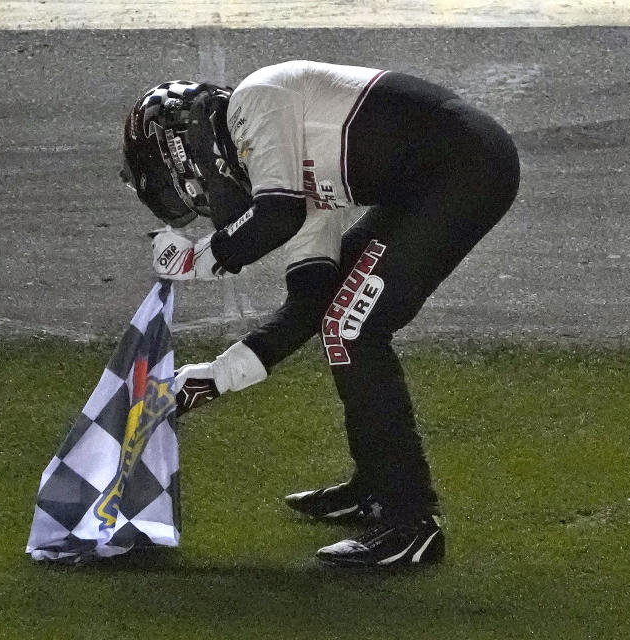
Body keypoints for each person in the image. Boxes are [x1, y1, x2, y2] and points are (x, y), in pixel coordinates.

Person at [120, 60, 520, 568]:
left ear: (186, 146)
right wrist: (208, 379)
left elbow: (277, 217)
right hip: (442, 179)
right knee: (338, 316)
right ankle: (376, 490)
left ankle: (411, 523)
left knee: (353, 330)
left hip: (462, 170)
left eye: (189, 185)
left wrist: (198, 259)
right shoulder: (283, 157)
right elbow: (307, 304)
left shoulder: (256, 99)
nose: (202, 196)